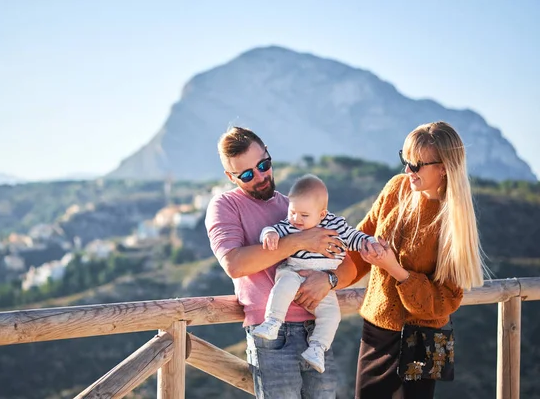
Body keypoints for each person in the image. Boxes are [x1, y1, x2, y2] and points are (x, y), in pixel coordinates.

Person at [205, 126, 357, 399]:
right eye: (248, 174)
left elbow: (347, 266)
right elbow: (234, 263)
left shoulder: (297, 207)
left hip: (318, 331)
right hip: (271, 334)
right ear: (230, 177)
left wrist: (329, 280)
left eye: (264, 165)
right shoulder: (224, 205)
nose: (261, 177)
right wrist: (300, 241)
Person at [346, 121, 486, 399]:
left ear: (444, 167)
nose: (407, 170)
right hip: (377, 332)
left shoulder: (454, 221)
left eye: (417, 164)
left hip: (422, 341)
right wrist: (327, 279)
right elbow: (359, 242)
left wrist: (395, 270)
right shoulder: (397, 188)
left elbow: (446, 300)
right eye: (405, 159)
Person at [253, 174, 379, 373]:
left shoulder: (335, 225)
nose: (296, 219)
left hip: (322, 280)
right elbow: (273, 228)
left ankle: (317, 348)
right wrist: (269, 234)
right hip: (294, 270)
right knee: (283, 287)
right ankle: (272, 322)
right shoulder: (289, 225)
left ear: (322, 214)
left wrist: (369, 242)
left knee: (332, 315)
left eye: (304, 215)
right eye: (292, 212)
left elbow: (354, 237)